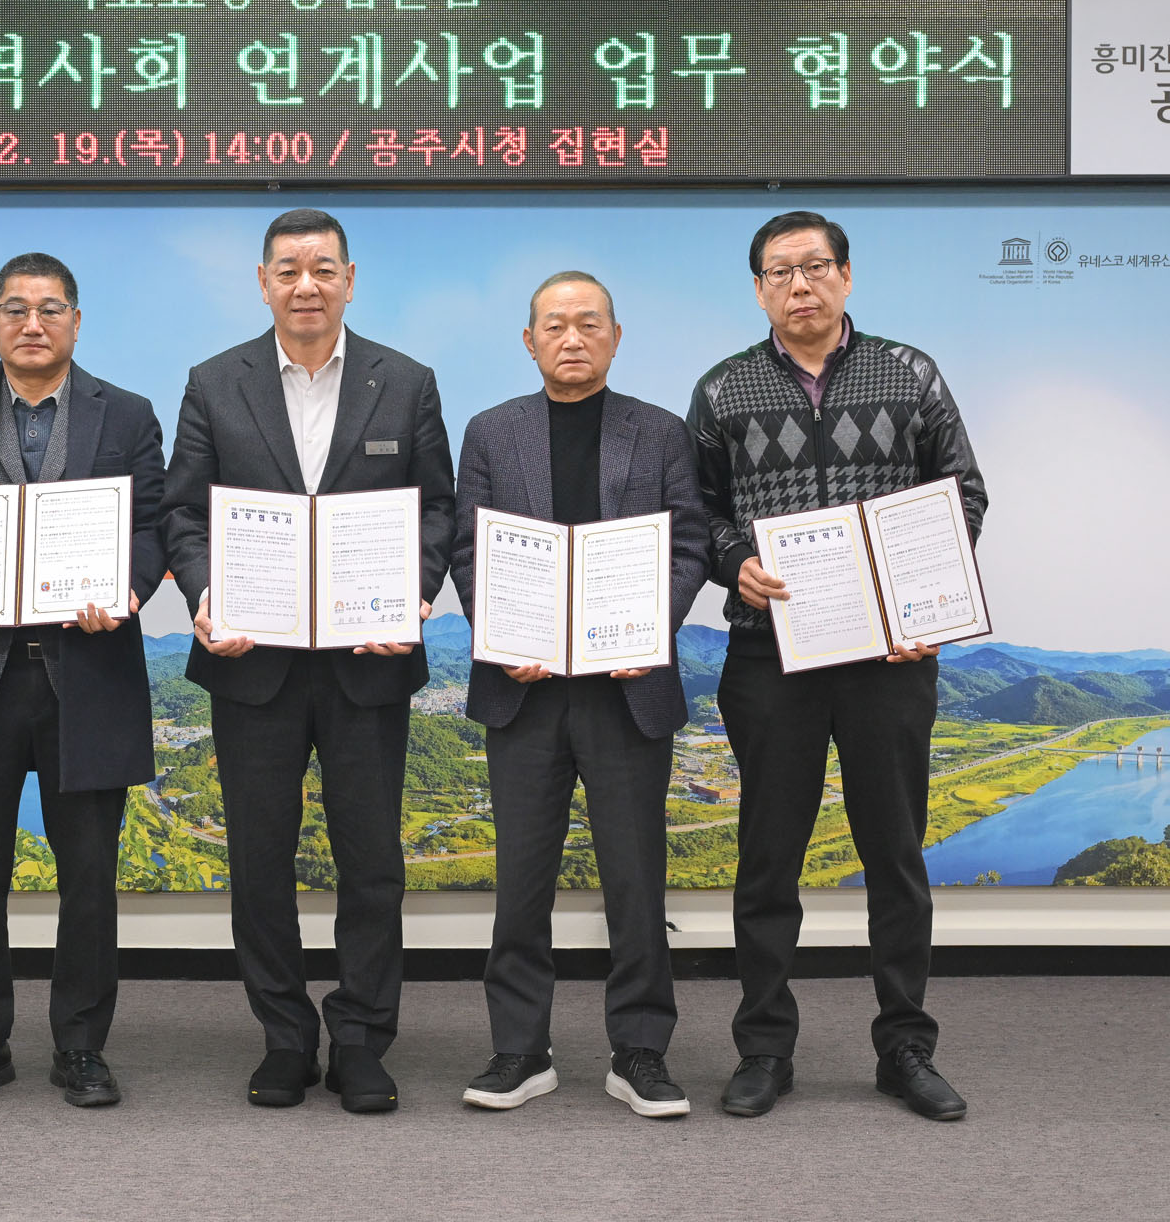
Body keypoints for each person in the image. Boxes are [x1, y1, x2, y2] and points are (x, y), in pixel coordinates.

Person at [688, 211, 987, 1122]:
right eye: (779, 272)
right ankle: (764, 1049)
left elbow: (963, 493)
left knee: (894, 854)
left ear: (846, 277)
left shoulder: (910, 373)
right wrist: (732, 560)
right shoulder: (723, 389)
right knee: (767, 859)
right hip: (767, 653)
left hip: (887, 657)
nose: (800, 285)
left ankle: (905, 1048)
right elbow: (696, 513)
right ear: (758, 290)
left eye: (816, 266)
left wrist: (924, 604)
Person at [160, 208, 455, 1113]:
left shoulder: (406, 383)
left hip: (367, 659)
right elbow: (183, 514)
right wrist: (205, 595)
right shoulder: (216, 382)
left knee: (372, 862)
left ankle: (361, 1038)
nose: (306, 285)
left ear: (350, 280)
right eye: (288, 269)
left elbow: (437, 510)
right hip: (255, 661)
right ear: (263, 283)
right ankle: (284, 1036)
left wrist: (414, 594)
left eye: (323, 268)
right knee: (260, 860)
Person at [0, 252, 166, 1110]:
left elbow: (152, 524)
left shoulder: (128, 413)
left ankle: (81, 1047)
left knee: (88, 877)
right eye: (15, 308)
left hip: (87, 674)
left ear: (76, 321)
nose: (33, 323)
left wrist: (129, 590)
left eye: (50, 308)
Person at [450, 271, 712, 1117]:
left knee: (636, 881)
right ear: (529, 341)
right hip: (523, 690)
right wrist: (502, 634)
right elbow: (467, 549)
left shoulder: (660, 431)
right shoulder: (492, 431)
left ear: (616, 336)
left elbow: (690, 545)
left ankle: (640, 1051)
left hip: (625, 690)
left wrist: (646, 629)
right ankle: (520, 1050)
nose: (573, 338)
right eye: (555, 325)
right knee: (521, 880)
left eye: (589, 323)